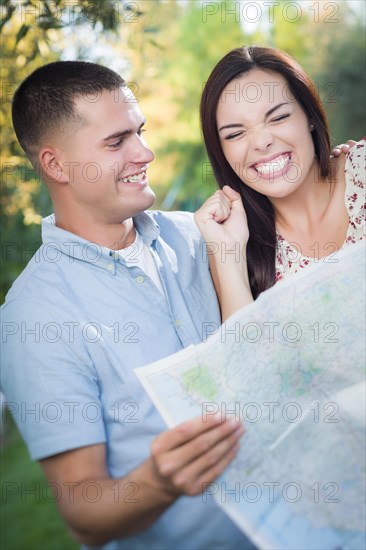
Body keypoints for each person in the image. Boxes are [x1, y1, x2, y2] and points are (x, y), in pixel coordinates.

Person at [0, 59, 353, 549]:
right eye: (116, 141)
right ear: (56, 165)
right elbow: (84, 512)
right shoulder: (34, 315)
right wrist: (159, 481)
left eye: (139, 132)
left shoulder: (204, 234)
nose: (145, 152)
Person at [194, 46, 364, 319]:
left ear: (309, 115)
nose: (261, 142)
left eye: (279, 117)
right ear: (221, 152)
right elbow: (248, 357)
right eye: (235, 134)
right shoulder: (234, 244)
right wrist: (229, 255)